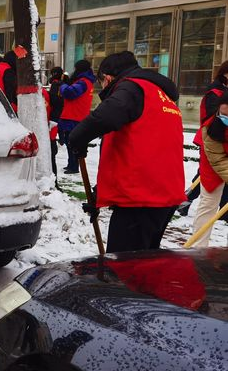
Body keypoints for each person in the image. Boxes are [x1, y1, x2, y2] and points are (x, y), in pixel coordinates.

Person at [69, 51, 184, 253]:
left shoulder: (131, 88)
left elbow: (105, 118)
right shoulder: (160, 94)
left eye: (101, 83)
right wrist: (100, 193)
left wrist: (77, 138)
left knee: (125, 270)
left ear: (107, 78)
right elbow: (140, 150)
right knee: (145, 262)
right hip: (162, 194)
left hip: (142, 200)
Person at [180, 62, 228, 217]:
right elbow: (212, 122)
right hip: (211, 141)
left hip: (222, 142)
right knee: (205, 177)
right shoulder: (215, 93)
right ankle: (185, 200)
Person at [192, 91, 228, 245]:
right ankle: (199, 247)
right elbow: (218, 161)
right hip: (213, 166)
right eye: (224, 112)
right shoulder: (210, 127)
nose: (225, 116)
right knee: (209, 204)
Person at [58, 60, 95, 174]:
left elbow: (70, 93)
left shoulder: (83, 82)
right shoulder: (87, 82)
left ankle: (73, 167)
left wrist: (63, 85)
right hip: (79, 116)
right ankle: (72, 164)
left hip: (74, 117)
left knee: (72, 144)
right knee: (72, 144)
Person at [47, 66, 65, 181]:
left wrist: (53, 120)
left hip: (53, 121)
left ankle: (54, 180)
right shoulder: (62, 84)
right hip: (58, 119)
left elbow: (56, 103)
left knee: (51, 154)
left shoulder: (55, 85)